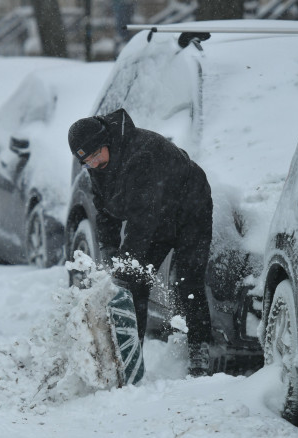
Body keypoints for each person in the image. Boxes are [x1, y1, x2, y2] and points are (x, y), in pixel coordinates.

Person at [67, 108, 214, 376]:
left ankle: (199, 348)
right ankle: (131, 350)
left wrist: (124, 263)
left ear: (106, 142)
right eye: (88, 162)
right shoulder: (98, 164)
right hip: (155, 215)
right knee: (134, 281)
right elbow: (104, 211)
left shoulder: (141, 154)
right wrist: (109, 251)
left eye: (96, 156)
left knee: (188, 279)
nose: (95, 165)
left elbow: (142, 221)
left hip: (190, 208)